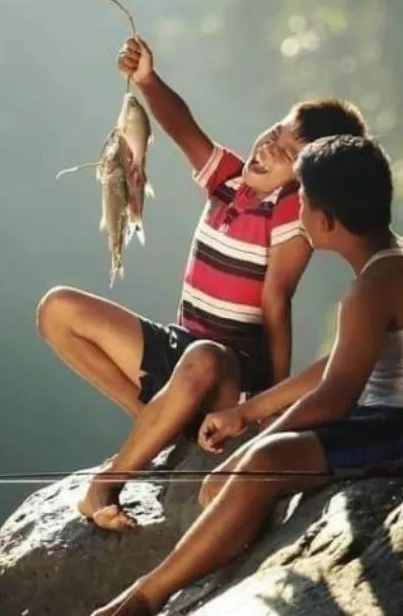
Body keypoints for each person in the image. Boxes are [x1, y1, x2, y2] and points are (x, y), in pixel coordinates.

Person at [36, 37, 367, 530]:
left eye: (286, 154)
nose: (267, 149)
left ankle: (110, 480)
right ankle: (159, 424)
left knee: (205, 356)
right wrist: (147, 79)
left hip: (228, 370)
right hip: (181, 350)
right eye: (273, 134)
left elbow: (278, 301)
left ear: (305, 180)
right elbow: (182, 127)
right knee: (56, 309)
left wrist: (265, 409)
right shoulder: (227, 180)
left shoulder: (290, 219)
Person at [88, 134, 403, 616]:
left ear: (324, 221)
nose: (296, 216)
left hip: (390, 426)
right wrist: (250, 410)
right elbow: (345, 360)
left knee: (263, 464)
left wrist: (249, 452)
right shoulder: (387, 268)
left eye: (302, 205)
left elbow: (336, 395)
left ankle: (146, 597)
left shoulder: (371, 289)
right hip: (378, 415)